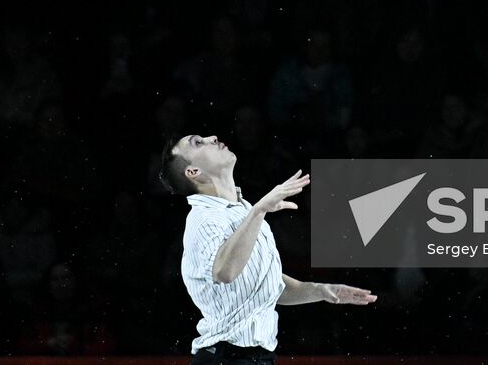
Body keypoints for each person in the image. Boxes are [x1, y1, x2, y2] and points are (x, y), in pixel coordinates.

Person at [159, 133, 376, 363]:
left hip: (259, 358)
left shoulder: (243, 210)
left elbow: (266, 284)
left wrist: (319, 290)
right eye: (197, 143)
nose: (212, 137)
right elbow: (224, 272)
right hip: (225, 359)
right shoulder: (203, 218)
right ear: (193, 172)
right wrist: (260, 210)